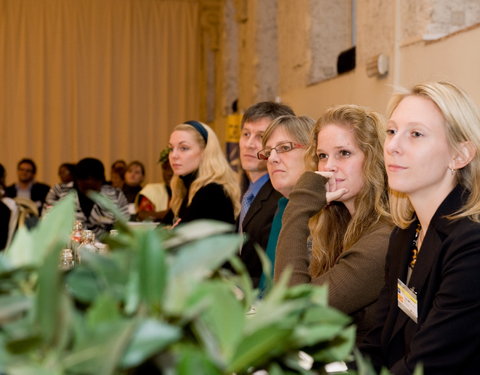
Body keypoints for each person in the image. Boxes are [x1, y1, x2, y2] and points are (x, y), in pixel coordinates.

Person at [360, 82, 480, 374]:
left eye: (415, 134)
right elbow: (377, 337)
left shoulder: (471, 245)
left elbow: (428, 364)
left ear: (460, 155)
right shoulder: (406, 234)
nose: (393, 146)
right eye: (391, 131)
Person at [274, 105, 392, 342]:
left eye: (344, 153)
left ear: (374, 159)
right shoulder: (338, 224)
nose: (328, 167)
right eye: (322, 156)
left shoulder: (384, 237)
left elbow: (294, 311)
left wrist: (297, 208)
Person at [237, 101, 295, 288]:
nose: (249, 144)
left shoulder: (281, 195)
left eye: (260, 136)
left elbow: (271, 274)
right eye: (246, 134)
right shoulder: (249, 191)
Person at [256, 115, 315, 292]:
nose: (272, 158)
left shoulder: (329, 212)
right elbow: (268, 285)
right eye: (268, 152)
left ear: (313, 152)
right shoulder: (283, 205)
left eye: (284, 148)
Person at [167, 120, 240, 225]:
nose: (174, 155)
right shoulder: (184, 188)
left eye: (183, 148)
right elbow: (159, 233)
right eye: (171, 148)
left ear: (205, 152)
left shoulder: (212, 192)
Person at [44, 158, 129, 238]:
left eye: (94, 189)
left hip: (106, 247)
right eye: (85, 188)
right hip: (67, 247)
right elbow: (47, 221)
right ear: (77, 181)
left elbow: (124, 224)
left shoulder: (116, 195)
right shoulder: (59, 192)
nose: (90, 194)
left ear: (101, 181)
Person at [136, 148, 173, 223]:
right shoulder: (151, 190)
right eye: (165, 168)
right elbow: (143, 215)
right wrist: (170, 214)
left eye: (172, 168)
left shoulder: (192, 190)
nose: (169, 173)